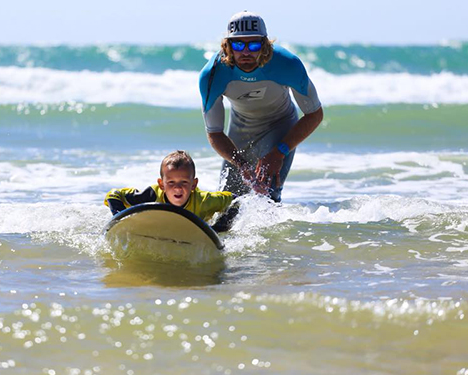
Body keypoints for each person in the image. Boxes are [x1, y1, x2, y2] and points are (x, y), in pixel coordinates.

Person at [199, 10, 323, 202]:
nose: (246, 52)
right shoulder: (212, 74)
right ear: (227, 45)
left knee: (267, 197)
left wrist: (280, 151)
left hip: (279, 126)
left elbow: (315, 114)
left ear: (265, 45)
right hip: (239, 131)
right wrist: (240, 164)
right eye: (238, 44)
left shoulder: (287, 64)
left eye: (254, 44)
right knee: (228, 202)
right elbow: (214, 132)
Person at [104, 150, 235, 227]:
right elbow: (113, 194)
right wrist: (119, 220)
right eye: (171, 182)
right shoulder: (152, 195)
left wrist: (219, 227)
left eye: (184, 182)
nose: (177, 187)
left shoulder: (204, 200)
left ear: (193, 184)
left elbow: (236, 200)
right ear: (162, 184)